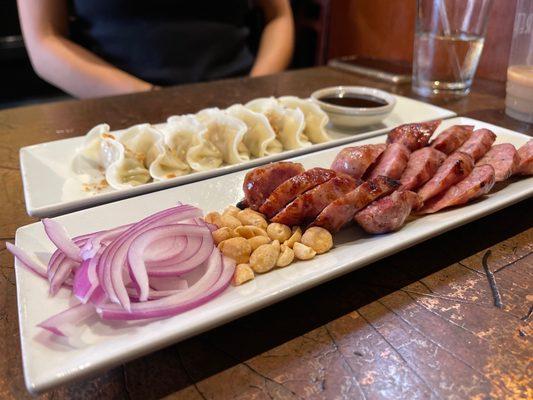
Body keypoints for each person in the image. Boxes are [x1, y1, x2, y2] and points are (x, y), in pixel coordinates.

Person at [17, 0, 294, 98]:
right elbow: (45, 40)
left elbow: (278, 15)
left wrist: (257, 87)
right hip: (117, 106)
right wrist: (151, 98)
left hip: (243, 97)